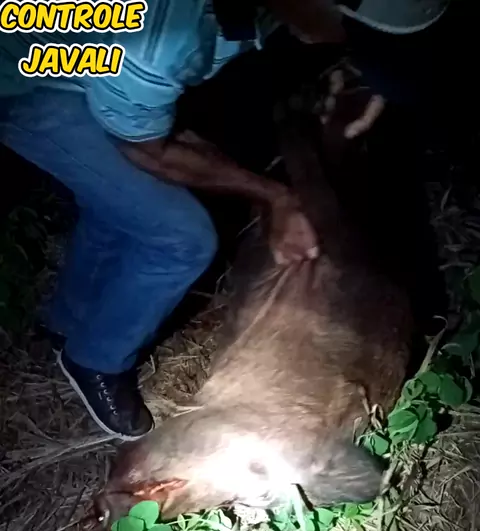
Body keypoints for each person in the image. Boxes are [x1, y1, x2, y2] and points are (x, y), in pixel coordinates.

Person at [0, 0, 450, 441]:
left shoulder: (272, 12)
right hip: (24, 87)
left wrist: (364, 75)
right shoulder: (159, 37)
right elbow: (147, 149)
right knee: (181, 238)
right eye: (349, 30)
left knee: (123, 203)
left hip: (79, 64)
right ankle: (96, 359)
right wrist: (274, 196)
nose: (339, 39)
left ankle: (67, 321)